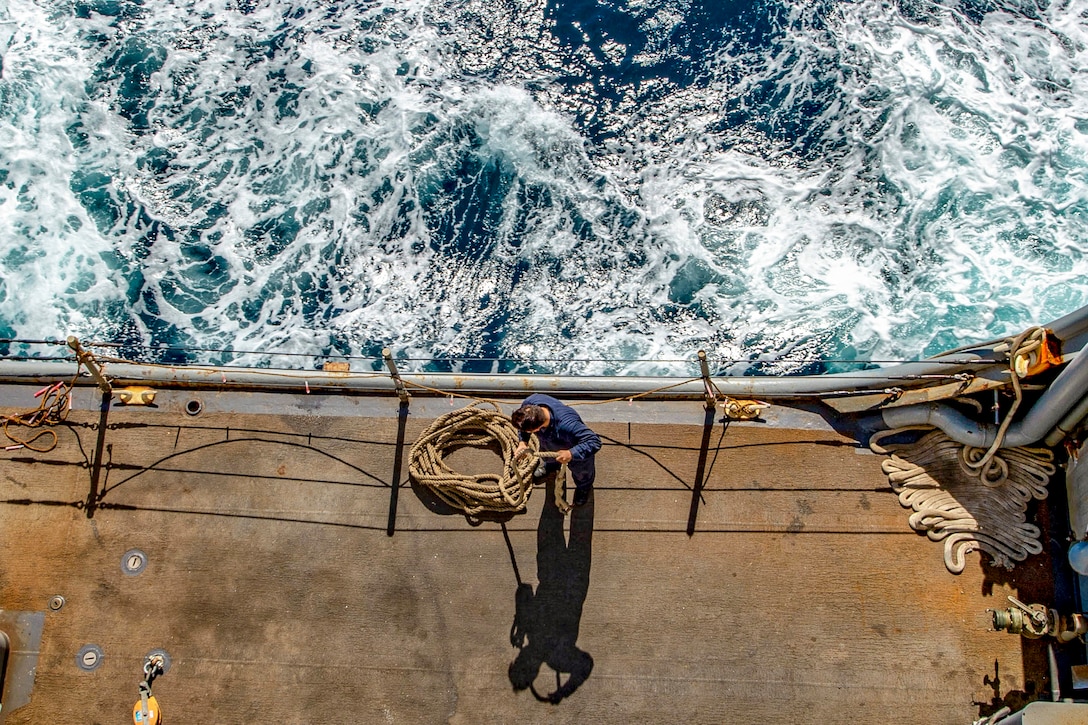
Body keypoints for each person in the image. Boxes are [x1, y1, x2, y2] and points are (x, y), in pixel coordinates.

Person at [512, 394, 601, 506]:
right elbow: (523, 429)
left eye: (530, 432)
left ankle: (583, 488)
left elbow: (594, 441)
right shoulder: (529, 403)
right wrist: (522, 443)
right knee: (548, 457)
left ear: (537, 428)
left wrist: (571, 453)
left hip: (576, 449)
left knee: (582, 474)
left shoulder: (568, 424)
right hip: (548, 443)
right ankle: (551, 466)